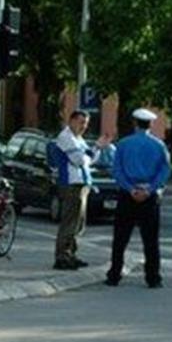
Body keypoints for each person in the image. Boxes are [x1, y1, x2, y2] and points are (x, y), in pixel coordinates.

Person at [105, 108, 172, 288]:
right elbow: (165, 171)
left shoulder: (124, 144)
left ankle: (114, 275)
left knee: (120, 238)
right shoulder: (159, 145)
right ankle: (153, 278)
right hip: (149, 197)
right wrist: (150, 189)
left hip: (127, 195)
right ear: (151, 124)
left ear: (135, 123)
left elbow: (116, 170)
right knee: (150, 240)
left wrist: (130, 188)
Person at [53, 110, 110, 270]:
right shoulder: (66, 137)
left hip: (82, 183)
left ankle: (71, 254)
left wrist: (94, 150)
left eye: (85, 123)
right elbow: (79, 160)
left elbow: (90, 160)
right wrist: (95, 148)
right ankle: (62, 257)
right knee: (70, 222)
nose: (83, 126)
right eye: (80, 122)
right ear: (71, 121)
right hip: (71, 183)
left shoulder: (78, 139)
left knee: (79, 223)